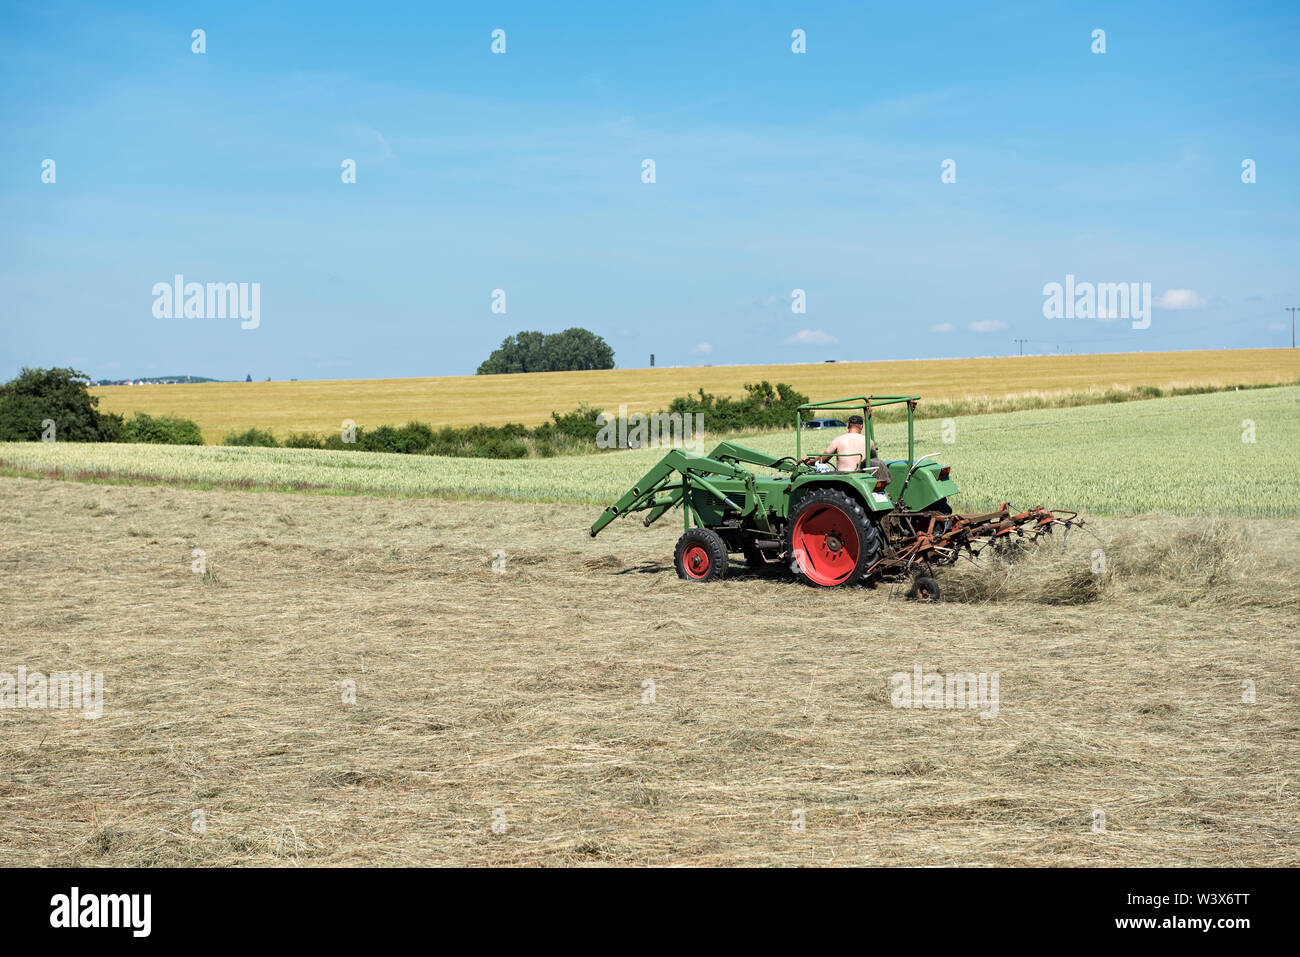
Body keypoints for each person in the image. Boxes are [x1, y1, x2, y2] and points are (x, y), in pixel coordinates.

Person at [801, 414, 893, 482]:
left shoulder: (838, 440)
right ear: (861, 426)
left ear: (848, 425)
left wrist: (808, 461)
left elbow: (822, 460)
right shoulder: (869, 441)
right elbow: (874, 458)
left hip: (842, 478)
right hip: (861, 477)